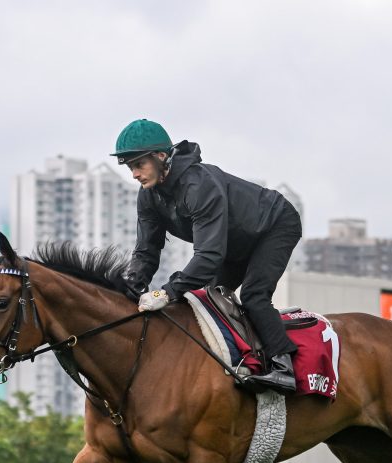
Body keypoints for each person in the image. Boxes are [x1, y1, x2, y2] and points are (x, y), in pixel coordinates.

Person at [112, 119, 302, 393]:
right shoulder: (148, 197)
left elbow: (209, 255)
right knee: (206, 299)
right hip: (232, 241)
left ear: (161, 156)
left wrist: (166, 292)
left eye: (139, 165)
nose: (134, 174)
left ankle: (283, 366)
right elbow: (146, 251)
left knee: (253, 296)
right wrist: (130, 287)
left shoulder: (198, 186)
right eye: (130, 167)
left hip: (273, 226)